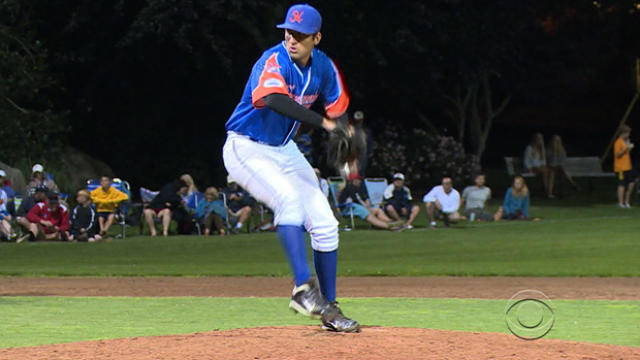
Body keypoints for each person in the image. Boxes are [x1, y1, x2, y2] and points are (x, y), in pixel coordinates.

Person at [222, 4, 359, 332]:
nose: (291, 38)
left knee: (326, 223)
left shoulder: (324, 67)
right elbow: (273, 100)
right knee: (289, 200)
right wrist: (326, 124)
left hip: (284, 150)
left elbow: (338, 106)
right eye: (288, 31)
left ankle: (329, 309)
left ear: (317, 37)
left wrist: (343, 131)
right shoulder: (273, 60)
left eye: (299, 34)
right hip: (245, 146)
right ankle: (302, 289)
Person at [523, 133, 552, 198]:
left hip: (539, 168)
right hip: (531, 168)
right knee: (545, 172)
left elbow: (543, 162)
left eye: (541, 139)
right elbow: (526, 161)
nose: (539, 140)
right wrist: (529, 168)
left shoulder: (541, 150)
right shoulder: (529, 148)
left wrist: (543, 166)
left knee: (551, 172)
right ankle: (547, 192)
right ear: (534, 139)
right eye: (538, 138)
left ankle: (549, 192)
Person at [613, 125, 636, 208]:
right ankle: (620, 203)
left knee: (631, 183)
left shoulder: (625, 141)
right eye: (627, 133)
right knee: (621, 185)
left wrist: (629, 147)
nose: (628, 135)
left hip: (628, 167)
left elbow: (626, 152)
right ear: (623, 133)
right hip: (620, 168)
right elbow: (617, 155)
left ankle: (627, 201)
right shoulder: (618, 142)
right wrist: (625, 149)